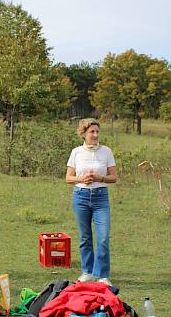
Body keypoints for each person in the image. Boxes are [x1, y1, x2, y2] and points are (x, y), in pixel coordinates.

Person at [65, 118, 118, 286]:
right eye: (91, 132)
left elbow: (114, 177)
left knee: (103, 237)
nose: (95, 135)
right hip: (81, 196)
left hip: (101, 197)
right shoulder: (76, 152)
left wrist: (99, 178)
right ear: (84, 134)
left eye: (97, 132)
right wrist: (81, 178)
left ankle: (102, 275)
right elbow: (68, 178)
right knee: (85, 237)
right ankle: (87, 272)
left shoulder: (106, 151)